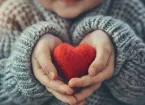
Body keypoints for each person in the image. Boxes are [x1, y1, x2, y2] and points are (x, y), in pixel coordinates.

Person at [0, 0, 145, 105]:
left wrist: (121, 44)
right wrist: (27, 64)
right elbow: (5, 96)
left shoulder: (131, 10)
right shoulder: (13, 16)